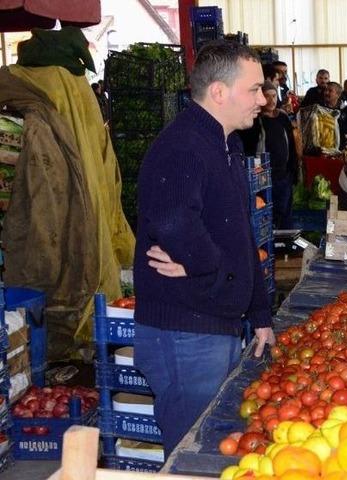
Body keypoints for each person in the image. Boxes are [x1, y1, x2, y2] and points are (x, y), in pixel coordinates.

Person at [132, 40, 275, 457]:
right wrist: (207, 266)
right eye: (254, 89)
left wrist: (258, 311)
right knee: (192, 452)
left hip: (212, 322)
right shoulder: (183, 147)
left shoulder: (223, 144)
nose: (263, 99)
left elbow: (239, 233)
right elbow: (174, 221)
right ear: (218, 91)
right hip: (184, 332)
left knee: (212, 443)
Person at [238, 81, 299, 229]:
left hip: (283, 175)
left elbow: (291, 144)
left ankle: (286, 244)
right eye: (267, 96)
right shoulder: (254, 121)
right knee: (268, 214)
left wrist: (294, 169)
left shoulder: (282, 117)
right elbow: (249, 150)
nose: (272, 100)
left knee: (285, 212)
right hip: (264, 177)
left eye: (274, 96)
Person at [324, 81, 347, 149]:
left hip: (342, 142)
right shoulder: (320, 108)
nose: (326, 92)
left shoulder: (345, 108)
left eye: (330, 91)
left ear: (338, 95)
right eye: (325, 90)